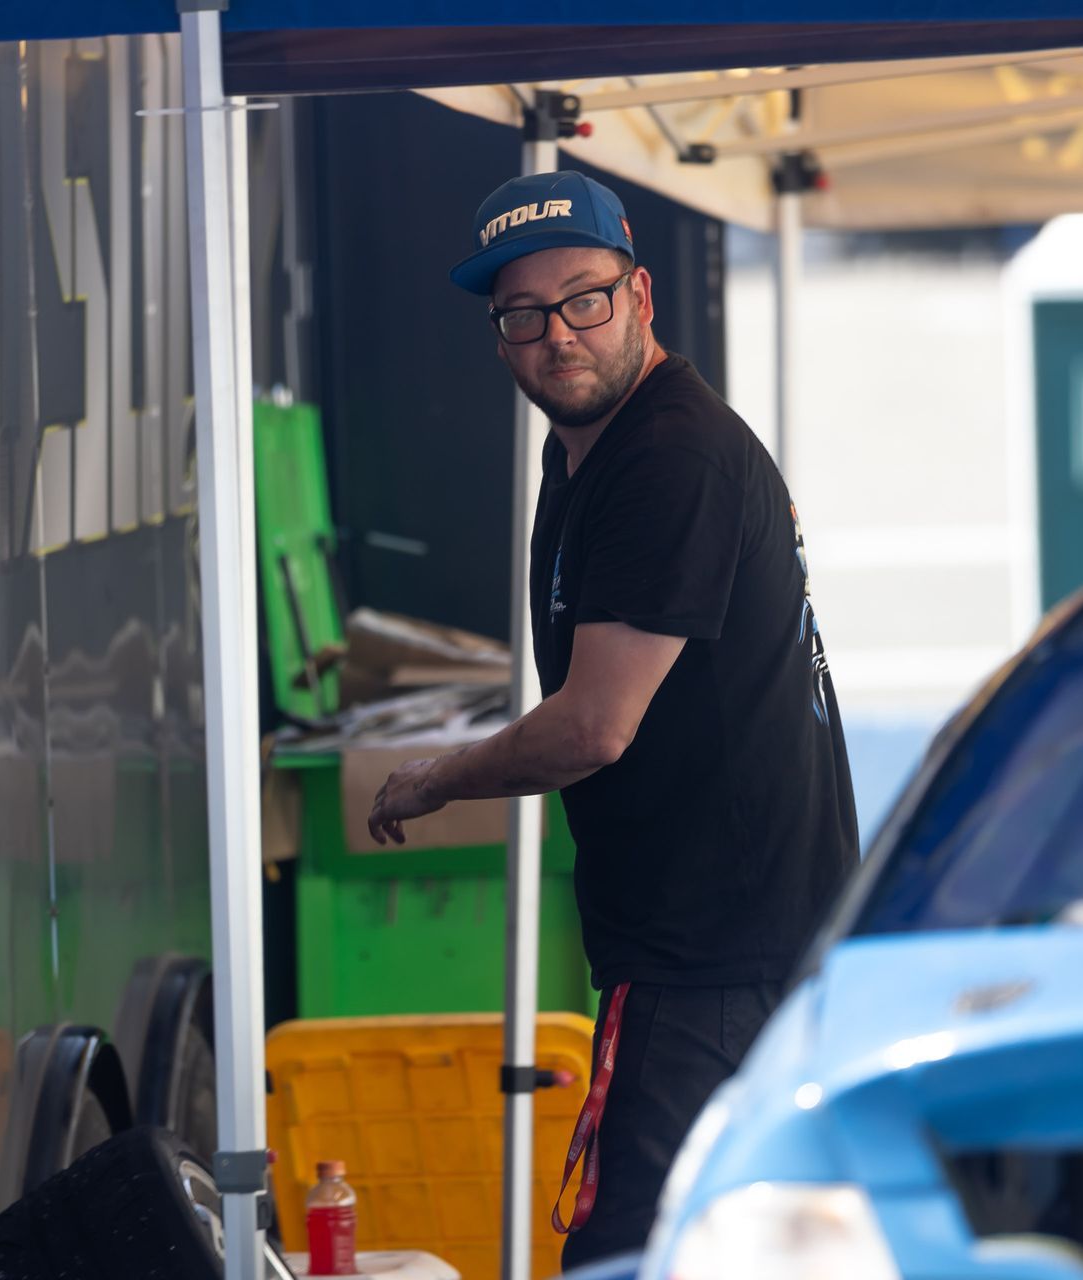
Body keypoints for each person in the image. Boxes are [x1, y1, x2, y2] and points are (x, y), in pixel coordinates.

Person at [366, 170, 857, 1269]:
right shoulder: (589, 448)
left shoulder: (666, 455)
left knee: (632, 1251)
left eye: (582, 299)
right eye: (524, 315)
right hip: (733, 940)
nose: (557, 336)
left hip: (713, 955)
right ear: (498, 337)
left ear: (640, 295)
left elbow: (595, 723)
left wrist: (438, 774)